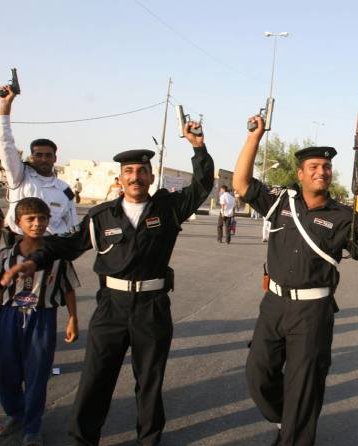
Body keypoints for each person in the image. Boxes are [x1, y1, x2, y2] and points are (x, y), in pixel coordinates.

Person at [1, 120, 214, 445]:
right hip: (111, 308)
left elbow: (202, 185)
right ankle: (84, 439)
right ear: (120, 179)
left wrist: (198, 147)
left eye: (141, 171)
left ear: (150, 176)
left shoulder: (168, 209)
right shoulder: (101, 217)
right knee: (96, 379)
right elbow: (67, 245)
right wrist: (33, 260)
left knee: (149, 381)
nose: (135, 177)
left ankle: (149, 439)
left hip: (152, 307)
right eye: (129, 171)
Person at [233, 116, 358, 446]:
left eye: (326, 167)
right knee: (258, 374)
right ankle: (284, 420)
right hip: (273, 304)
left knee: (303, 387)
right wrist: (255, 138)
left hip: (313, 311)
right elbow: (242, 184)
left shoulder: (343, 215)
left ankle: (295, 432)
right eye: (314, 166)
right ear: (300, 173)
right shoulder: (280, 200)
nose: (321, 171)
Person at [0, 197, 79, 446]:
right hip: (9, 316)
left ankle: (33, 428)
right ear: (18, 222)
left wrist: (73, 319)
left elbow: (67, 289)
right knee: (6, 372)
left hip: (42, 317)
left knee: (37, 374)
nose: (37, 224)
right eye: (30, 219)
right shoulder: (5, 256)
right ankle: (15, 413)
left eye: (42, 218)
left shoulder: (57, 255)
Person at [0, 85, 78, 244]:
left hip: (52, 247)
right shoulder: (20, 177)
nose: (43, 159)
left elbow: (72, 224)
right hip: (20, 243)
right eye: (38, 155)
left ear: (55, 158)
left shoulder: (65, 189)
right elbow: (6, 144)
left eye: (48, 155)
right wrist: (5, 107)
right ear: (32, 157)